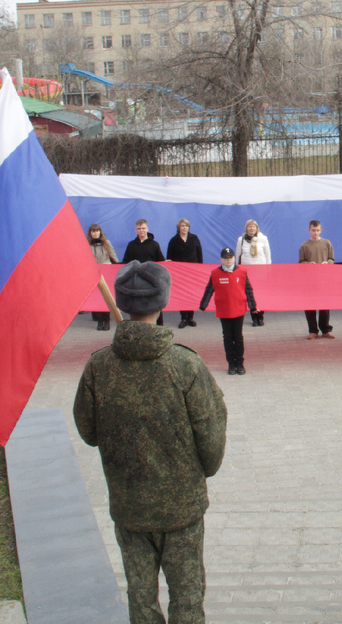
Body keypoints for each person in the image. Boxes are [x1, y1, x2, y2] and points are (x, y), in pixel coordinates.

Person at [73, 260, 227, 624]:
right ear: (163, 301)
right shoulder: (185, 365)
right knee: (187, 598)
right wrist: (203, 471)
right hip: (182, 508)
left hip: (129, 506)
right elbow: (211, 437)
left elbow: (88, 431)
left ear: (122, 302)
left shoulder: (99, 367)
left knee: (141, 599)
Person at [199, 247, 258, 376]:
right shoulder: (215, 273)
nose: (228, 260)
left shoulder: (242, 272)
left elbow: (248, 289)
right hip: (224, 310)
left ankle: (240, 363)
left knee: (238, 337)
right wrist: (203, 305)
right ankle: (231, 363)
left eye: (230, 258)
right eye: (225, 259)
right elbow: (209, 289)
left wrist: (253, 306)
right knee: (227, 337)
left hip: (238, 309)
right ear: (221, 260)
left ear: (234, 258)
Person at [299, 220, 336, 340]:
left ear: (321, 230)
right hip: (309, 280)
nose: (315, 233)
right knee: (309, 305)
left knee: (324, 305)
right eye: (313, 230)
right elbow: (301, 262)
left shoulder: (326, 243)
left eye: (317, 230)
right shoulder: (305, 245)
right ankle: (313, 330)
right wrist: (308, 264)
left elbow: (332, 258)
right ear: (309, 230)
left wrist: (327, 262)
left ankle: (325, 329)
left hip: (324, 279)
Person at [166, 218, 203, 329]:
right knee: (182, 294)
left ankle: (190, 317)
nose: (184, 228)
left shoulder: (194, 238)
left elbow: (199, 254)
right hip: (179, 273)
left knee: (191, 293)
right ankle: (183, 318)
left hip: (192, 272)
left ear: (189, 227)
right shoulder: (174, 240)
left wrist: (200, 269)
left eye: (186, 226)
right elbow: (169, 258)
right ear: (178, 228)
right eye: (182, 226)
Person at [235, 220, 270, 327]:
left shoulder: (263, 238)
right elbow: (238, 255)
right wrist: (237, 270)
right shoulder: (241, 240)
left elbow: (267, 255)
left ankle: (261, 317)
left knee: (261, 294)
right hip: (247, 272)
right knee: (251, 294)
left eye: (253, 226)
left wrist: (268, 269)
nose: (251, 228)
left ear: (256, 228)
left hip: (261, 272)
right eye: (249, 226)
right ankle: (254, 318)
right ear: (246, 228)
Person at [87, 223, 119, 331]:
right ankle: (100, 321)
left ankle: (107, 320)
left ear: (100, 232)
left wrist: (117, 266)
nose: (95, 233)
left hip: (106, 273)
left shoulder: (106, 243)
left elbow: (113, 256)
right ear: (90, 233)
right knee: (97, 298)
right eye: (93, 231)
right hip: (94, 274)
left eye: (97, 231)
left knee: (106, 297)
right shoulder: (87, 244)